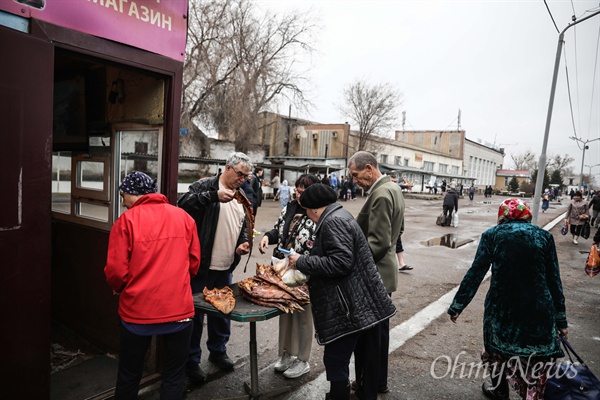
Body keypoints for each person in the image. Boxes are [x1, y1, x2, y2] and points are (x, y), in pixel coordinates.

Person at [448, 198, 568, 400]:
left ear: (502, 216)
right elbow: (554, 279)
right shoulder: (544, 237)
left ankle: (500, 390)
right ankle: (532, 396)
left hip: (503, 310)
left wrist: (458, 305)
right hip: (539, 311)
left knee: (495, 351)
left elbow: (476, 272)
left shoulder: (492, 236)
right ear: (526, 214)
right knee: (536, 361)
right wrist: (561, 320)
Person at [287, 184, 396, 400]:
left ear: (315, 209)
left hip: (348, 306)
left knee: (336, 360)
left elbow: (341, 262)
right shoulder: (338, 215)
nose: (308, 217)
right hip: (356, 302)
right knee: (353, 356)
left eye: (307, 211)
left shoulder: (333, 222)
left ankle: (338, 396)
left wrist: (302, 261)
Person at [104, 171, 200, 399]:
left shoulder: (126, 221)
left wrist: (121, 286)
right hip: (179, 313)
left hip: (138, 314)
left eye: (122, 195)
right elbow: (194, 264)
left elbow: (116, 272)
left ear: (132, 194)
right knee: (174, 374)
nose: (122, 201)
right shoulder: (184, 218)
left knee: (129, 375)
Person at [177, 152, 252, 383]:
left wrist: (242, 242)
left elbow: (242, 225)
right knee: (196, 315)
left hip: (225, 267)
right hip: (201, 266)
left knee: (223, 312)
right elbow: (182, 205)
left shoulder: (241, 195)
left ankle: (218, 351)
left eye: (246, 176)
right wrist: (212, 196)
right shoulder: (205, 186)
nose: (242, 179)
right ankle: (191, 361)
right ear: (227, 168)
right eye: (240, 174)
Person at [347, 151, 404, 398]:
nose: (354, 180)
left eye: (356, 175)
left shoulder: (380, 194)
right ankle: (378, 382)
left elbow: (378, 243)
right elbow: (396, 231)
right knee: (379, 335)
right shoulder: (393, 188)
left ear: (369, 168)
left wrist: (349, 262)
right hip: (385, 272)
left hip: (375, 275)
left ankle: (366, 389)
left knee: (368, 340)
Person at [258, 174, 320, 379]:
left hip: (306, 271)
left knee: (303, 316)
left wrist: (305, 260)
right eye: (297, 190)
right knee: (285, 312)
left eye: (303, 191)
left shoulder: (318, 212)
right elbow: (278, 230)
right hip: (283, 268)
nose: (298, 193)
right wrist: (268, 236)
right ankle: (285, 354)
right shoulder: (290, 207)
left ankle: (302, 360)